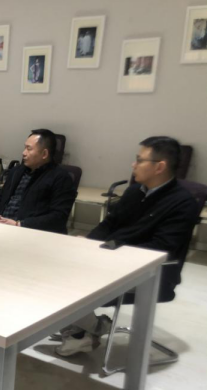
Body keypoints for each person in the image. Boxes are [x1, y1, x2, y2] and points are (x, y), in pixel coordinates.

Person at [55, 136, 198, 357]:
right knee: (52, 270)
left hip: (150, 274)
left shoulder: (182, 203)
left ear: (159, 167)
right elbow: (108, 224)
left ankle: (85, 330)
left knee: (66, 282)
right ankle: (88, 329)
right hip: (111, 261)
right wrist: (88, 245)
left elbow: (160, 249)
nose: (133, 165)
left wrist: (109, 250)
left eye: (140, 160)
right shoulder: (135, 192)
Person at [0, 129, 76, 234]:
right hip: (1, 228)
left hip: (32, 233)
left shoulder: (61, 178)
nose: (23, 153)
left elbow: (58, 217)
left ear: (44, 154)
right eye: (24, 148)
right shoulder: (16, 171)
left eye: (29, 149)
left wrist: (19, 224)